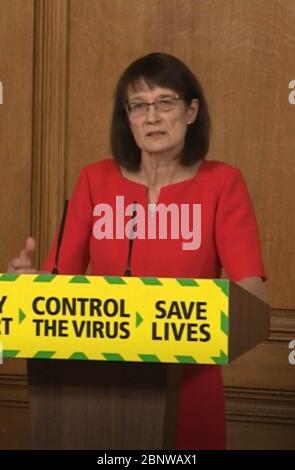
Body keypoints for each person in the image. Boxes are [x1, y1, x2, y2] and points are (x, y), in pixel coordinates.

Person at [8, 52, 266, 449]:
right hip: (97, 389)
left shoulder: (223, 183)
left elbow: (250, 294)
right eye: (139, 106)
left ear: (191, 110)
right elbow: (56, 285)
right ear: (126, 118)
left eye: (165, 102)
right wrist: (29, 288)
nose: (152, 117)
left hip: (189, 385)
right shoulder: (95, 180)